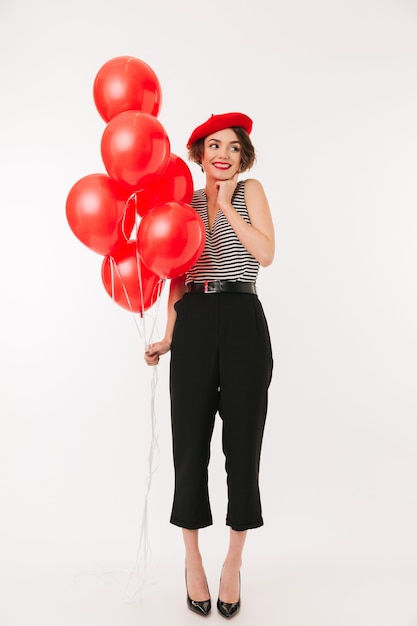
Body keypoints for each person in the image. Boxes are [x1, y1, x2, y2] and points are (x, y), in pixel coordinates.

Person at [144, 112, 274, 618]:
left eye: (233, 149)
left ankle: (233, 564)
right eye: (214, 146)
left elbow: (265, 253)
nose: (223, 154)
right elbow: (176, 275)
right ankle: (193, 560)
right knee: (189, 446)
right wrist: (171, 337)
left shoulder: (250, 192)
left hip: (243, 319)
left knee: (243, 448)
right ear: (199, 154)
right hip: (195, 322)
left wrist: (225, 206)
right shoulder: (180, 204)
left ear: (242, 158)